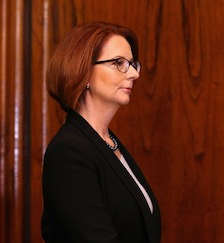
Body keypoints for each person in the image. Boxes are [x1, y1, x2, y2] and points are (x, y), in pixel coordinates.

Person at [41, 21, 161, 243]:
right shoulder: (69, 152)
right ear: (83, 70)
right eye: (119, 63)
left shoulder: (108, 142)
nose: (134, 73)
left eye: (133, 63)